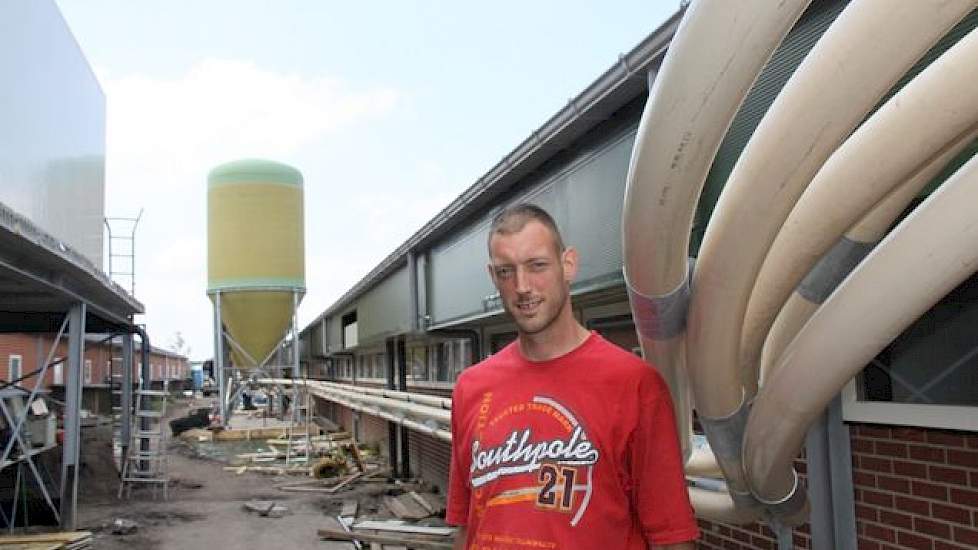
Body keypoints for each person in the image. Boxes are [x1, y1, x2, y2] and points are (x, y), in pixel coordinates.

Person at [447, 204, 699, 550]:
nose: (522, 287)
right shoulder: (471, 388)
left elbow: (672, 539)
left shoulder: (634, 384)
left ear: (568, 265)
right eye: (506, 272)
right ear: (494, 277)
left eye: (537, 266)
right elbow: (466, 526)